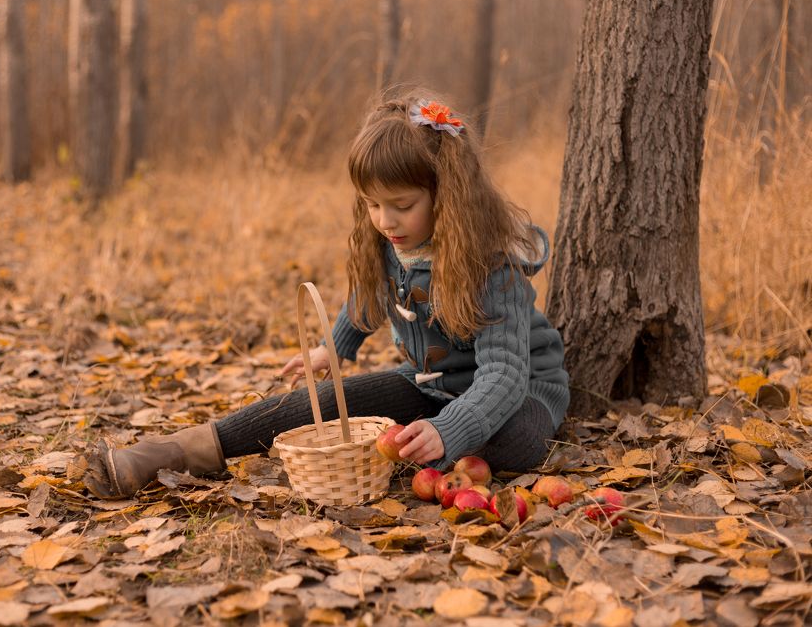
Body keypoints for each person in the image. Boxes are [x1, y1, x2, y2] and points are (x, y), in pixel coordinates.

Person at [73, 88, 569, 499]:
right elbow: (368, 299)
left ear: (449, 195)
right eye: (372, 205)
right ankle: (176, 451)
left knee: (513, 444)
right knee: (326, 401)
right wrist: (332, 348)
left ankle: (432, 441)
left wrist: (450, 427)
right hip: (429, 387)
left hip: (522, 390)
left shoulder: (491, 265)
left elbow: (504, 373)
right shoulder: (393, 241)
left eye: (401, 205)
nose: (385, 220)